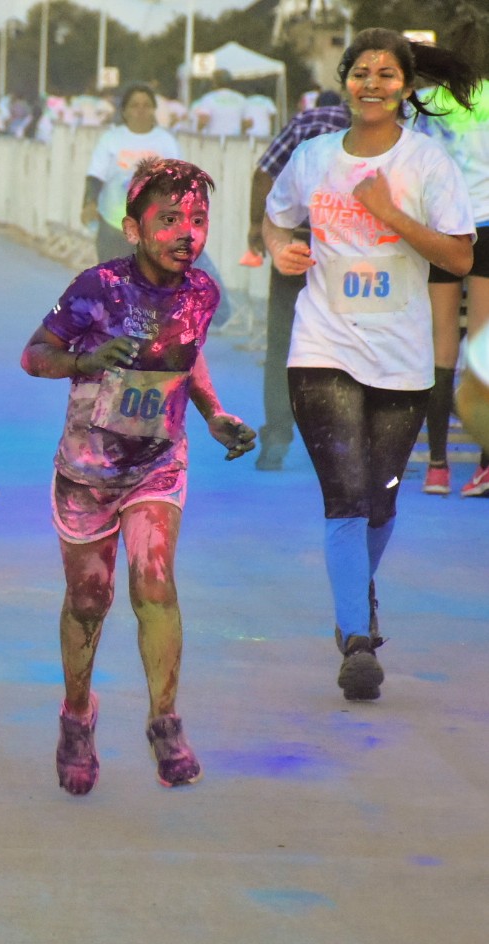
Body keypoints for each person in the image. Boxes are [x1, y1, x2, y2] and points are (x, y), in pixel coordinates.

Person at [21, 158, 256, 795]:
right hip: (87, 473)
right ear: (133, 228)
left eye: (199, 220)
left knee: (154, 579)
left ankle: (165, 719)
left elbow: (188, 356)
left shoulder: (202, 293)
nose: (188, 232)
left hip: (158, 463)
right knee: (89, 600)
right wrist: (86, 359)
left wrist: (213, 414)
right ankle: (77, 715)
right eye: (171, 219)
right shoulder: (96, 288)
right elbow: (32, 355)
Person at [262, 28, 476, 700]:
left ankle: (357, 590)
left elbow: (461, 258)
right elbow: (276, 216)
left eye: (387, 74)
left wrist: (388, 212)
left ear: (405, 87)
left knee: (379, 502)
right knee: (344, 494)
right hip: (321, 345)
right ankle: (355, 638)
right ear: (343, 80)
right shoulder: (314, 156)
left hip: (400, 357)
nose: (372, 84)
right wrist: (278, 249)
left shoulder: (427, 163)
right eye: (360, 72)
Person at [246, 90, 351, 471]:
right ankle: (340, 439)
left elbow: (263, 173)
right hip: (351, 250)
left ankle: (276, 435)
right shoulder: (378, 128)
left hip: (296, 242)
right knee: (344, 343)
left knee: (282, 343)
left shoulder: (304, 122)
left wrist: (255, 227)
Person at [410, 12, 489, 496]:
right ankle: (485, 465)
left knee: (441, 349)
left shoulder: (427, 103)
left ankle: (437, 465)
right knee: (482, 353)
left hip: (443, 230)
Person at [81, 84, 182, 266]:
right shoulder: (111, 139)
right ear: (125, 111)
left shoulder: (166, 141)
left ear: (154, 110)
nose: (141, 110)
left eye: (146, 105)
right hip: (113, 227)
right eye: (135, 105)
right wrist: (89, 203)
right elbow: (95, 176)